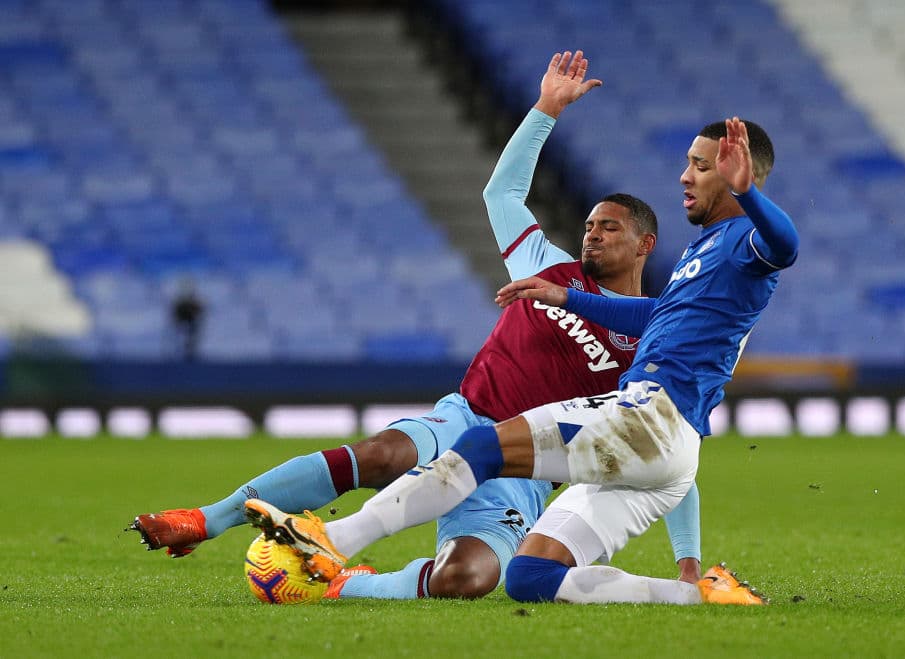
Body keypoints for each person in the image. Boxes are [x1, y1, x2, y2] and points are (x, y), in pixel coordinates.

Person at [131, 50, 705, 599]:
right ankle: (204, 520)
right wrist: (546, 110)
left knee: (468, 580)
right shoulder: (546, 266)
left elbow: (665, 447)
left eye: (608, 228)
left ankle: (341, 583)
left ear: (645, 245)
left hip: (522, 470)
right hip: (467, 419)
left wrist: (688, 561)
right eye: (589, 225)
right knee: (383, 454)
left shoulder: (650, 339)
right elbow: (501, 193)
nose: (592, 234)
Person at [244, 51, 797, 606]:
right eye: (689, 163)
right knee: (531, 577)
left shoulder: (746, 241)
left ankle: (329, 539)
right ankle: (701, 596)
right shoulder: (699, 255)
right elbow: (658, 315)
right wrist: (567, 296)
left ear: (736, 172)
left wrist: (749, 194)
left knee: (483, 445)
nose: (685, 175)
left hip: (649, 419)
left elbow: (785, 247)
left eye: (702, 166)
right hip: (668, 448)